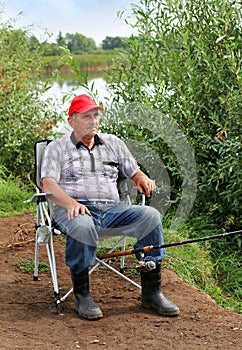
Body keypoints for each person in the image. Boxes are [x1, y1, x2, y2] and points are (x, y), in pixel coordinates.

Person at [41, 94, 179, 320]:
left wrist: (141, 178)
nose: (93, 121)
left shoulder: (114, 143)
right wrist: (72, 204)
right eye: (87, 116)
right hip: (73, 210)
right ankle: (82, 296)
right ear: (71, 121)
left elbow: (133, 172)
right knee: (82, 224)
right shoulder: (57, 148)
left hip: (112, 211)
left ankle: (152, 293)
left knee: (151, 215)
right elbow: (48, 184)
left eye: (96, 116)